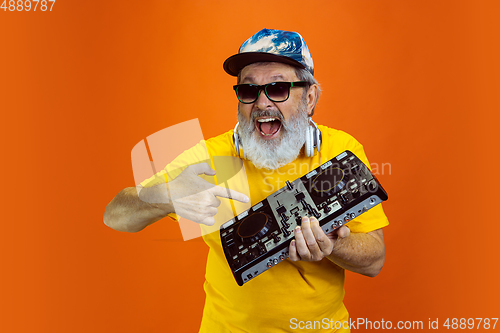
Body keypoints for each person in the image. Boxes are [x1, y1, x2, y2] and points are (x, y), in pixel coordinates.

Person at [104, 28, 389, 332]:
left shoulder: (340, 151)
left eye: (278, 88)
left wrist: (332, 245)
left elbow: (374, 260)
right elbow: (115, 216)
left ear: (309, 97)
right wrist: (166, 196)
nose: (262, 103)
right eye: (249, 90)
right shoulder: (211, 159)